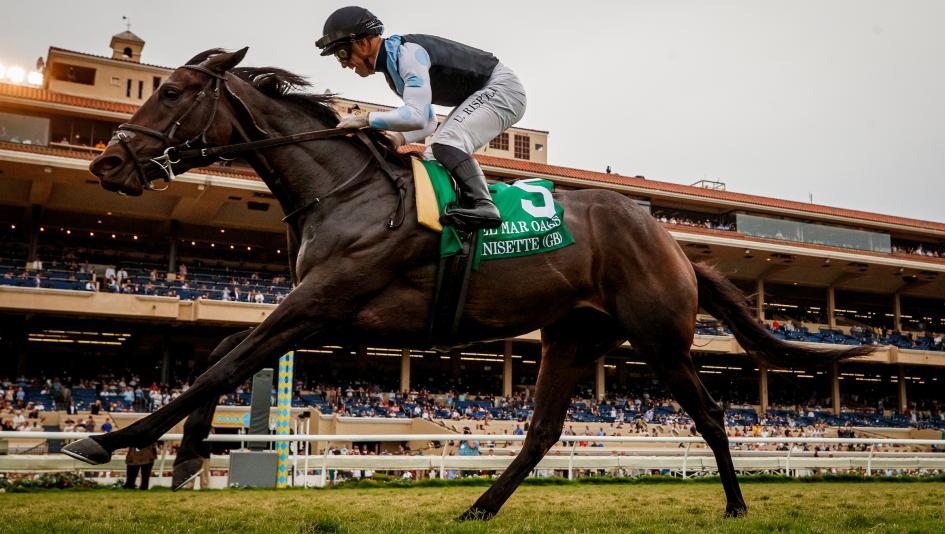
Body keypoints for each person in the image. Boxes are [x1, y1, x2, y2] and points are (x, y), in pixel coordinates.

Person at [316, 6, 526, 230]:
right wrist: (395, 139)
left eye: (342, 53)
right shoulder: (393, 70)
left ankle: (485, 206)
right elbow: (427, 122)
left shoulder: (407, 54)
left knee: (446, 143)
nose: (343, 63)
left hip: (502, 88)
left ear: (364, 43)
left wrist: (366, 119)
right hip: (487, 90)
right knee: (432, 154)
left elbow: (415, 116)